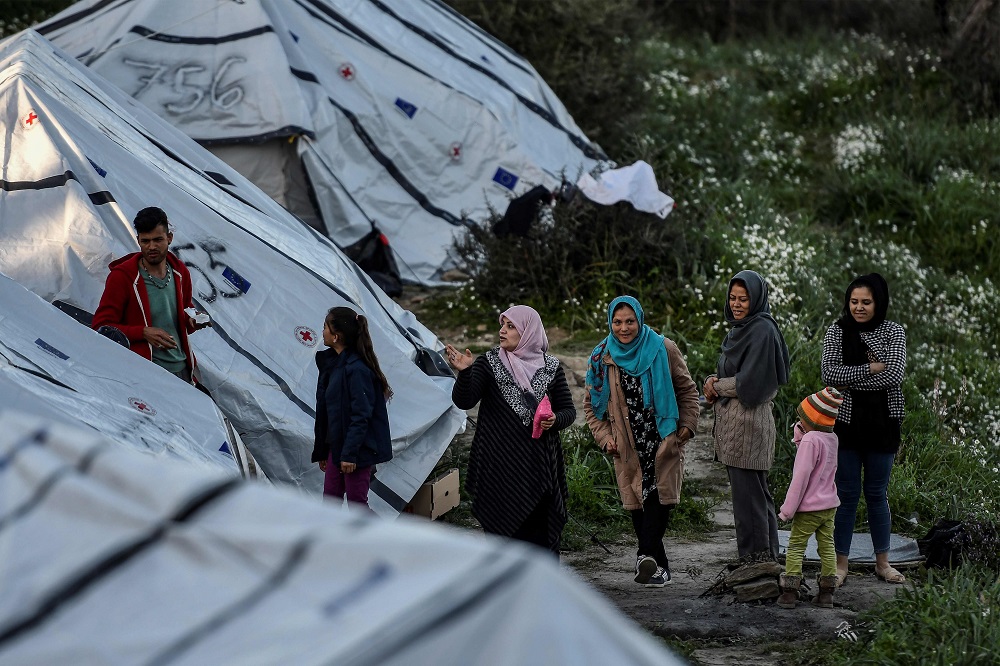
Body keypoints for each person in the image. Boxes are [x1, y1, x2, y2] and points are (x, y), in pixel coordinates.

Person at [584, 296, 699, 587]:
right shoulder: (602, 357)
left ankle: (644, 554)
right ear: (610, 322)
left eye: (630, 321)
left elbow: (687, 390)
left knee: (660, 499)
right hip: (626, 442)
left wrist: (686, 428)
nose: (624, 328)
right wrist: (605, 437)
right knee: (636, 501)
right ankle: (659, 568)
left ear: (640, 319)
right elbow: (591, 405)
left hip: (661, 437)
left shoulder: (664, 348)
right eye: (618, 322)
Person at [444, 305, 575, 556]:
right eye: (502, 325)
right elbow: (465, 401)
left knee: (540, 543)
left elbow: (568, 411)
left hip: (539, 472)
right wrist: (465, 373)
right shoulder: (488, 363)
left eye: (510, 326)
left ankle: (541, 592)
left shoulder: (551, 368)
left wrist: (554, 420)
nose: (502, 331)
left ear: (528, 331)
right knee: (503, 542)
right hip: (498, 470)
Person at [822, 273, 907, 586]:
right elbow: (829, 374)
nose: (858, 307)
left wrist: (852, 378)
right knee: (845, 494)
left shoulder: (893, 331)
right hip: (845, 423)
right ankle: (840, 564)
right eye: (854, 301)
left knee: (876, 493)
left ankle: (882, 563)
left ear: (878, 302)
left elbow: (895, 374)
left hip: (883, 422)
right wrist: (872, 366)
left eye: (866, 302)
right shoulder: (837, 330)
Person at [703, 270, 790, 562]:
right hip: (736, 427)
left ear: (757, 299)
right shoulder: (740, 330)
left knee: (750, 501)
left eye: (744, 299)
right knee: (752, 499)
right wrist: (714, 381)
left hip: (749, 427)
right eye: (733, 298)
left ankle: (756, 565)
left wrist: (716, 386)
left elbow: (751, 385)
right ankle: (765, 562)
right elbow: (735, 376)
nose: (737, 304)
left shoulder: (762, 330)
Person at [92, 207, 210, 384]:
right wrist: (143, 332)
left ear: (169, 238)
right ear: (138, 240)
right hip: (144, 373)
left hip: (182, 369)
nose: (152, 247)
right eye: (145, 241)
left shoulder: (180, 272)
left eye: (158, 240)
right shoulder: (123, 277)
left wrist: (193, 320)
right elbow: (101, 327)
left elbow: (183, 314)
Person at [312, 306, 393, 512]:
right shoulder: (332, 364)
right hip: (336, 447)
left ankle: (379, 543)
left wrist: (349, 454)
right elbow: (327, 413)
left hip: (355, 450)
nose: (322, 332)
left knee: (357, 505)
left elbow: (361, 415)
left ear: (336, 336)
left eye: (325, 327)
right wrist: (324, 449)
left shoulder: (357, 370)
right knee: (330, 504)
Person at [777, 387, 844, 609]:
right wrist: (802, 434)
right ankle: (826, 594)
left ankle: (789, 592)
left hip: (809, 508)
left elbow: (801, 477)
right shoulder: (831, 438)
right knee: (827, 547)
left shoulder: (810, 441)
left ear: (811, 419)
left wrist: (787, 510)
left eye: (802, 417)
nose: (799, 420)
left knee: (796, 546)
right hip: (829, 505)